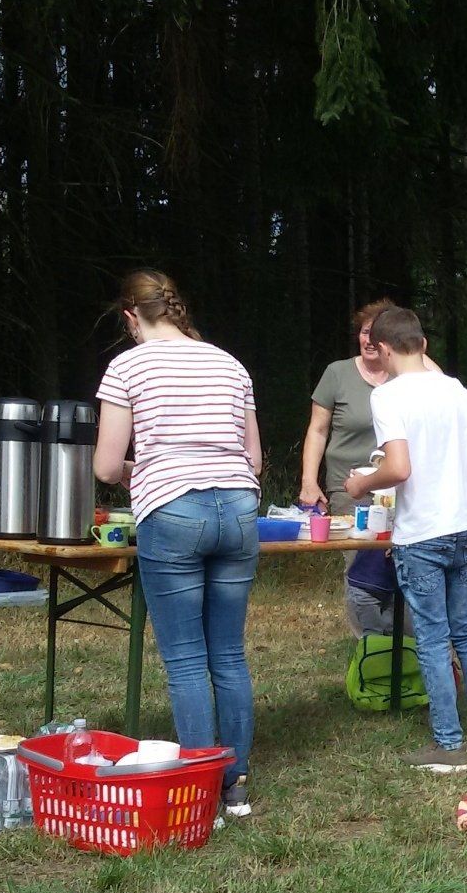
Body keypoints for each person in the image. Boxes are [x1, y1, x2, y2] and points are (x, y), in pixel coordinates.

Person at [95, 271, 260, 818]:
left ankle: (200, 789)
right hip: (238, 508)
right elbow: (254, 459)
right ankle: (236, 781)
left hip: (172, 510)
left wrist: (134, 470)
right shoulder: (229, 363)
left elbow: (106, 464)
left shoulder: (127, 367)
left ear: (130, 316)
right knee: (228, 654)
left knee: (187, 661)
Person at [346, 308, 467, 773]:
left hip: (421, 535)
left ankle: (449, 744)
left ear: (383, 349)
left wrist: (361, 484)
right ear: (423, 344)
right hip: (462, 527)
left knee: (434, 640)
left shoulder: (387, 396)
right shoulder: (456, 390)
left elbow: (398, 468)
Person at [300, 298, 398, 635]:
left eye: (378, 334)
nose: (369, 340)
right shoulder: (337, 373)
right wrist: (309, 482)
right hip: (349, 487)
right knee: (359, 566)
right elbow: (317, 430)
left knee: (400, 560)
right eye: (365, 332)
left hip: (398, 484)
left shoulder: (406, 376)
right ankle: (370, 643)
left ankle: (402, 641)